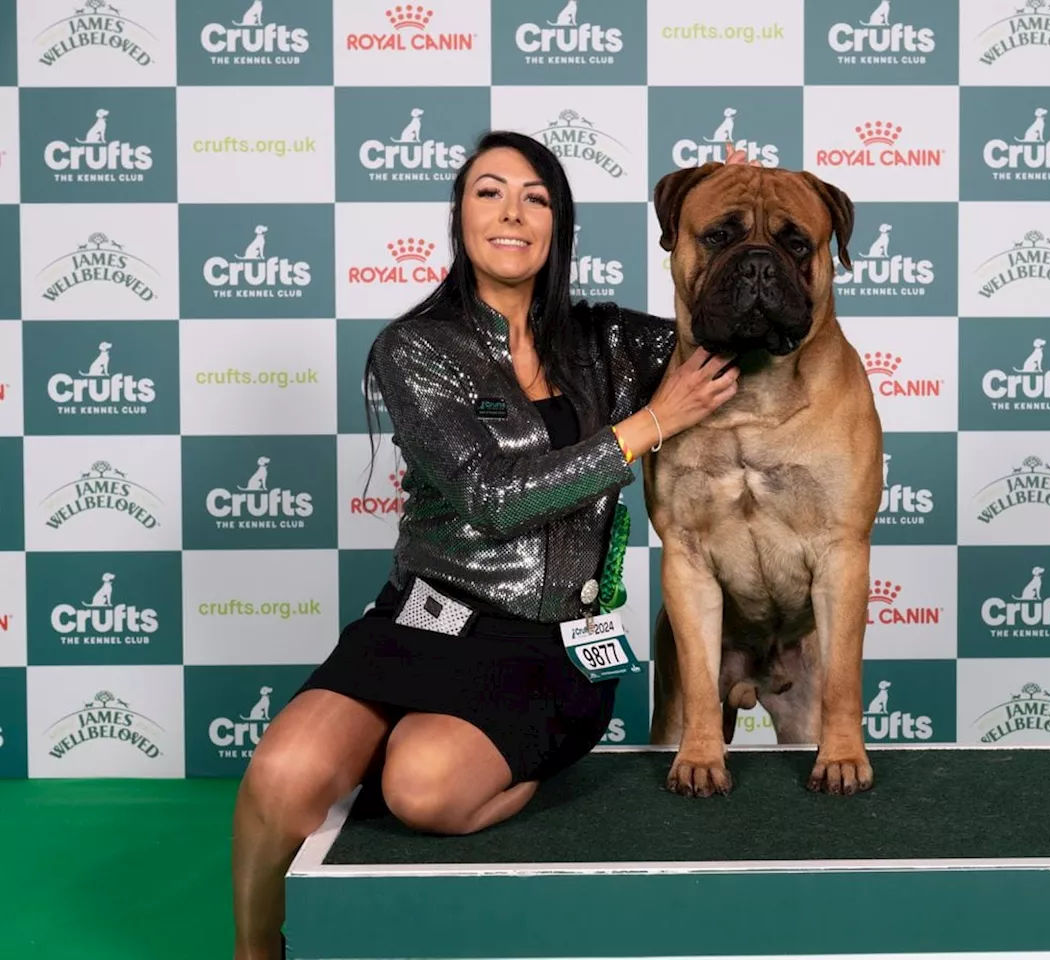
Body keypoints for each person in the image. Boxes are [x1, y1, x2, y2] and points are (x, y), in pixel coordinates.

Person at [229, 130, 740, 960]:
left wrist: (722, 211)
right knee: (280, 778)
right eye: (489, 191)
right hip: (421, 623)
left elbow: (737, 330)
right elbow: (489, 501)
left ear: (559, 225)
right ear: (460, 216)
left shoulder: (612, 341)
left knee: (421, 787)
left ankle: (502, 758)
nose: (512, 212)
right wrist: (651, 424)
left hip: (552, 647)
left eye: (535, 197)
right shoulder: (415, 348)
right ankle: (256, 953)